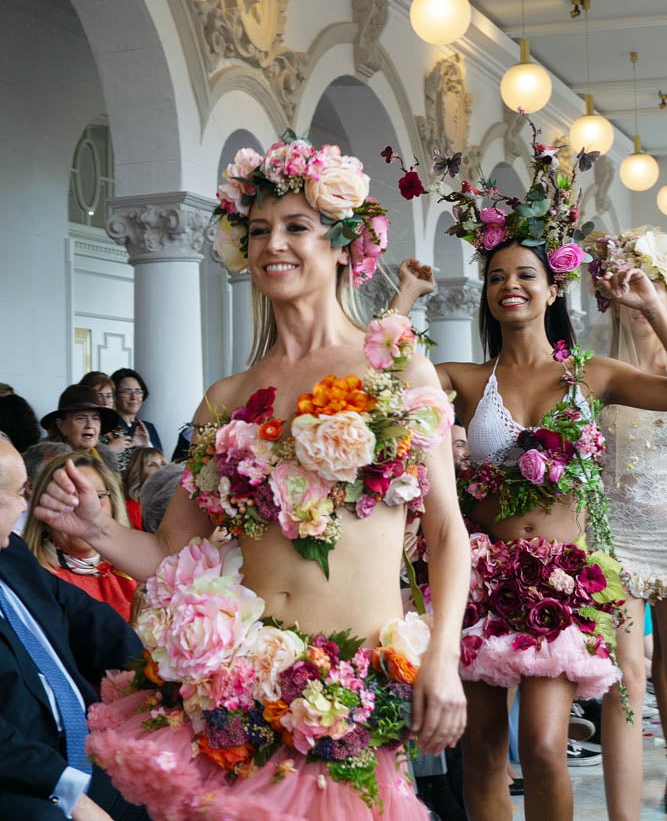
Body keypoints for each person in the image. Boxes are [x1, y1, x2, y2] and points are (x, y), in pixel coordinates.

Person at [35, 138, 469, 820]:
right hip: (235, 688)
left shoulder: (396, 369)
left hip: (346, 694)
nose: (275, 244)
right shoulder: (226, 396)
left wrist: (442, 658)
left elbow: (445, 530)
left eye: (297, 226)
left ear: (342, 245)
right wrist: (95, 528)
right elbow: (172, 553)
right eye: (259, 229)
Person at [390, 118, 667, 821]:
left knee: (543, 746)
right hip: (481, 578)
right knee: (481, 747)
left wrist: (651, 306)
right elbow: (379, 384)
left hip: (560, 581)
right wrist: (402, 302)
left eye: (524, 276)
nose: (507, 287)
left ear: (552, 290)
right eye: (494, 278)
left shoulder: (591, 375)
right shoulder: (460, 376)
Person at [0, 435, 148, 821]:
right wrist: (70, 796)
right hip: (28, 782)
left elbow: (83, 617)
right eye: (19, 494)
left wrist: (155, 676)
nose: (24, 507)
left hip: (89, 753)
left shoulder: (11, 554)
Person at [587, 228, 667, 820]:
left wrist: (654, 308)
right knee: (625, 677)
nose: (634, 293)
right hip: (612, 535)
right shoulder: (598, 361)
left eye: (650, 278)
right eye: (623, 283)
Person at [23, 452, 137, 622]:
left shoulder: (134, 571)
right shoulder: (34, 581)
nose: (84, 509)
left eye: (97, 497)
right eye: (70, 498)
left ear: (114, 504)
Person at [41, 386, 119, 471]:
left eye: (95, 418)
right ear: (61, 425)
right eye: (81, 418)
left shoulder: (106, 459)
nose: (90, 425)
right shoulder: (46, 462)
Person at [100, 369, 162, 473]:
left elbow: (161, 462)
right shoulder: (108, 426)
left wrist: (147, 446)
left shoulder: (148, 427)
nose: (134, 397)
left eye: (138, 391)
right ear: (115, 396)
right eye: (127, 391)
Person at [121, 447, 166, 529]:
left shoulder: (170, 500)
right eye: (152, 465)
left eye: (163, 464)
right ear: (139, 471)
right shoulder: (130, 508)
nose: (161, 469)